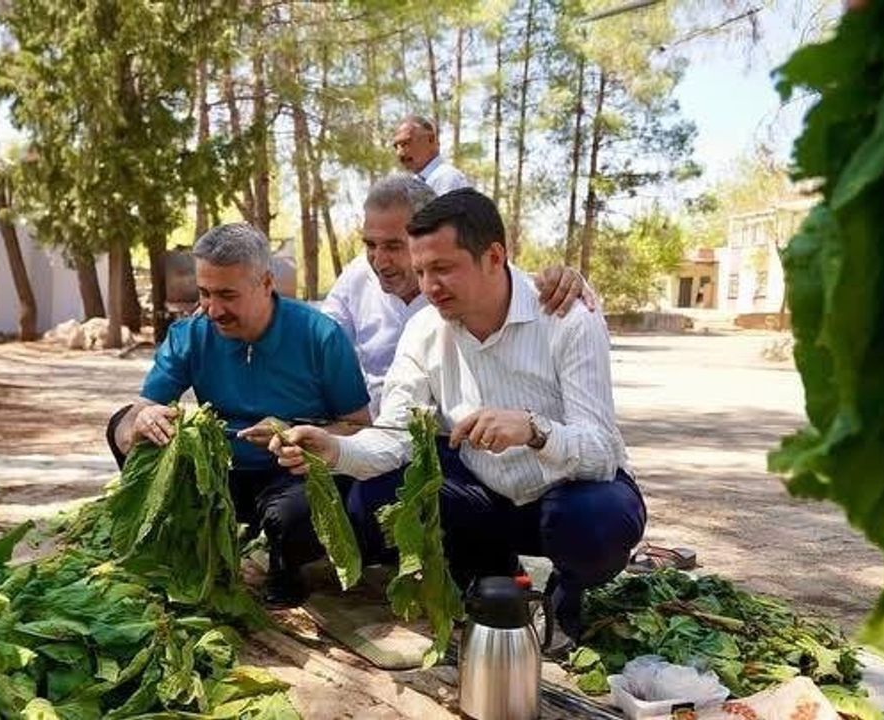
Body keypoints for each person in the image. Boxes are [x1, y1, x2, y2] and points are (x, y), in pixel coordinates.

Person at [270, 189, 646, 640]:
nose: (429, 287)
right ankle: (488, 571)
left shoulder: (566, 317)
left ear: (493, 256)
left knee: (595, 520)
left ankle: (569, 588)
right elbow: (396, 437)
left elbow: (602, 453)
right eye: (422, 270)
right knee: (375, 499)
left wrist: (534, 429)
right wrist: (335, 449)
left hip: (563, 494)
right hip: (482, 492)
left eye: (444, 269)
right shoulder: (424, 330)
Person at [106, 223, 371, 607]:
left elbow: (358, 426)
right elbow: (141, 410)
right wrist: (141, 421)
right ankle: (183, 546)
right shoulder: (190, 334)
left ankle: (287, 565)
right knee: (121, 424)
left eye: (227, 295)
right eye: (204, 293)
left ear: (266, 283)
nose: (212, 310)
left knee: (292, 516)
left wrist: (296, 434)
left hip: (291, 475)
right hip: (215, 474)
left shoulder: (321, 336)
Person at [322, 174, 593, 417]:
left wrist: (571, 281)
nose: (379, 261)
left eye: (394, 246)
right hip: (385, 435)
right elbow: (318, 340)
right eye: (370, 245)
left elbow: (511, 280)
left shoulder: (479, 282)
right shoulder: (355, 278)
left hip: (461, 447)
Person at [392, 116, 470, 194]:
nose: (399, 153)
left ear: (430, 140)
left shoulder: (447, 179)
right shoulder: (414, 184)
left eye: (405, 144)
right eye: (396, 147)